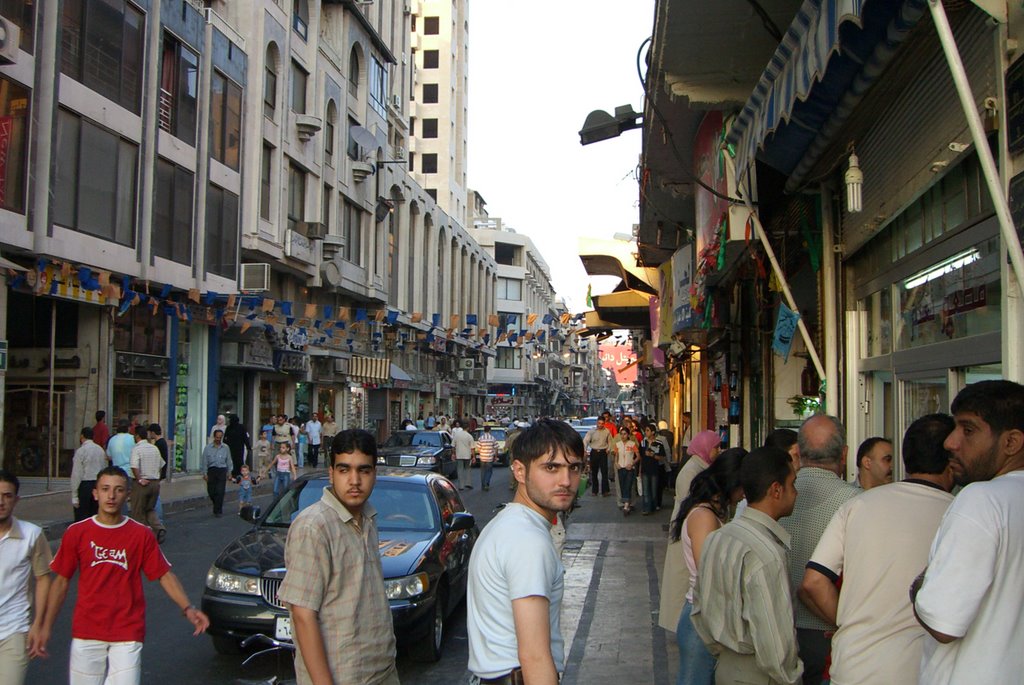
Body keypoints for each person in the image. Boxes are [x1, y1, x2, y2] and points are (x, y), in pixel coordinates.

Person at [799, 414, 955, 685]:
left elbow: (813, 582)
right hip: (918, 670)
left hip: (852, 666)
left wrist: (849, 622)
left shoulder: (858, 505)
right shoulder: (956, 514)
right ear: (952, 461)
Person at [35, 466, 209, 683]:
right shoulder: (77, 533)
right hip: (87, 632)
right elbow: (61, 582)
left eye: (118, 490)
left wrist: (188, 608)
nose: (111, 496)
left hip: (127, 632)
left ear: (127, 495)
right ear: (95, 493)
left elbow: (164, 575)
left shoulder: (141, 534)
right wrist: (46, 626)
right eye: (105, 489)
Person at [912, 380, 1024, 684]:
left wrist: (918, 589)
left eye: (968, 430)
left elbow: (943, 623)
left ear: (1011, 442)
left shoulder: (981, 500)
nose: (950, 442)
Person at [467, 419, 583, 685]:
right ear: (519, 471)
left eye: (573, 468)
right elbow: (534, 655)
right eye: (551, 468)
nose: (565, 481)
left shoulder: (510, 524)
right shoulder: (527, 540)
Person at [278, 430, 399, 685]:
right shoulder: (314, 526)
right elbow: (303, 615)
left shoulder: (367, 518)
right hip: (343, 676)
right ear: (331, 473)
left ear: (374, 474)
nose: (354, 480)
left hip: (381, 671)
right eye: (344, 470)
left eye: (363, 470)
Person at [691, 446, 803, 685]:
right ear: (776, 490)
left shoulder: (719, 537)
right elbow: (775, 644)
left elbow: (699, 610)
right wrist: (791, 678)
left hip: (728, 667)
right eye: (792, 484)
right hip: (761, 674)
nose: (796, 493)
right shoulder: (766, 554)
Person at [781, 414, 858, 684]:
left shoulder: (775, 497)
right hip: (827, 633)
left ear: (799, 454)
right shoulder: (856, 503)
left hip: (778, 629)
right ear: (845, 454)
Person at [670, 449, 746, 685]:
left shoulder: (714, 512)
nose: (744, 495)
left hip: (707, 611)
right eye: (743, 487)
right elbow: (709, 569)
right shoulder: (704, 516)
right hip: (700, 615)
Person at [0, 470, 52, 685]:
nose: (1, 502)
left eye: (7, 496)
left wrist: (38, 623)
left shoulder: (31, 534)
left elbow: (43, 578)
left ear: (17, 500)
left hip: (14, 628)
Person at [130, 425, 166, 543]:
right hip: (155, 482)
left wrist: (139, 479)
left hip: (142, 483)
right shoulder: (154, 448)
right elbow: (161, 464)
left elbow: (134, 466)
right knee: (150, 509)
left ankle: (140, 536)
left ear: (137, 436)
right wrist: (157, 478)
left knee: (138, 510)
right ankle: (158, 527)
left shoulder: (137, 449)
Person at [71, 427, 106, 522]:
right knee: (95, 516)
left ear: (82, 436)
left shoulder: (81, 451)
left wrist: (74, 495)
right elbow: (103, 470)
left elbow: (76, 474)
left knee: (82, 517)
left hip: (84, 485)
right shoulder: (100, 450)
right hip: (97, 485)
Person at [639, 424, 668, 515]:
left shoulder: (658, 443)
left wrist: (653, 455)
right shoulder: (643, 443)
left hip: (655, 469)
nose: (646, 432)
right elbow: (641, 456)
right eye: (645, 431)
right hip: (645, 468)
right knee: (646, 490)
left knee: (654, 489)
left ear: (653, 432)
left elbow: (663, 457)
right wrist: (639, 469)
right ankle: (646, 508)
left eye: (648, 430)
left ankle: (653, 505)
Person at [203, 429, 232, 517]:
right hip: (212, 470)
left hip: (222, 470)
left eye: (220, 437)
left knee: (220, 491)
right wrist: (204, 473)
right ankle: (216, 503)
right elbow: (204, 461)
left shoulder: (226, 447)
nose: (218, 439)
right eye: (217, 437)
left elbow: (229, 460)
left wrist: (229, 472)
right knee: (211, 491)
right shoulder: (208, 448)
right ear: (214, 437)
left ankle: (218, 510)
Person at [613, 426, 640, 515]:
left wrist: (632, 463)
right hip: (621, 468)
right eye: (621, 434)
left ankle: (626, 505)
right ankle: (626, 504)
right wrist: (616, 463)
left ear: (628, 435)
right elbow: (616, 456)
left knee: (628, 486)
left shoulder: (632, 444)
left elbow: (638, 456)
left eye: (625, 434)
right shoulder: (618, 445)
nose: (623, 436)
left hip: (629, 468)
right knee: (622, 485)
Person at [583, 419, 612, 497]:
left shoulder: (607, 431)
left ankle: (605, 490)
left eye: (602, 423)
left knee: (604, 472)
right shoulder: (592, 431)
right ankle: (594, 491)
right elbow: (586, 440)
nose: (600, 425)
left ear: (604, 424)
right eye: (599, 423)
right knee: (594, 472)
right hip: (594, 452)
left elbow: (610, 442)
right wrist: (585, 450)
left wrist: (608, 449)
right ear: (597, 423)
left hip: (603, 452)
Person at [452, 420, 475, 490]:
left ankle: (461, 486)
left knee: (460, 470)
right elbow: (472, 448)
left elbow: (453, 446)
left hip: (459, 454)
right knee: (468, 469)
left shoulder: (457, 435)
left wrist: (453, 454)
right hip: (467, 455)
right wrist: (473, 457)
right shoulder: (469, 436)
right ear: (467, 428)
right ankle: (468, 483)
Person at [476, 424, 498, 491]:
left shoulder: (480, 438)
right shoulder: (492, 438)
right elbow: (496, 448)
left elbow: (478, 448)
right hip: (490, 458)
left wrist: (481, 453)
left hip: (482, 457)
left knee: (483, 471)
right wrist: (495, 456)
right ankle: (486, 483)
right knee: (489, 471)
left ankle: (483, 485)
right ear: (490, 430)